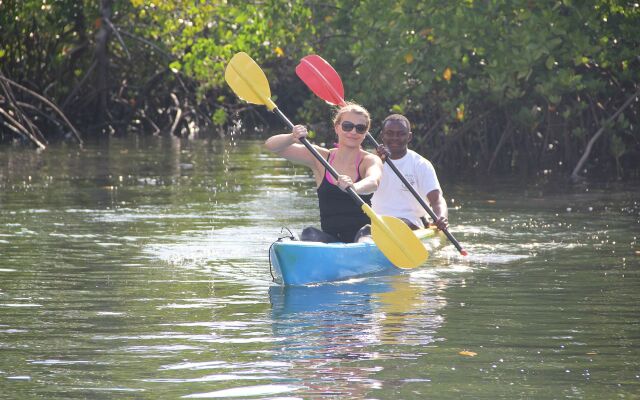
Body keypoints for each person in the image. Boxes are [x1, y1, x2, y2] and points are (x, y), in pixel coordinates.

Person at [264, 103, 383, 243]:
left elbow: (373, 181)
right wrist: (291, 137)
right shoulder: (319, 157)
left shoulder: (369, 160)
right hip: (331, 239)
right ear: (337, 128)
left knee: (365, 239)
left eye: (360, 128)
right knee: (309, 233)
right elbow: (272, 146)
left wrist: (354, 187)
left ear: (365, 134)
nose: (353, 132)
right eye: (347, 126)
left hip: (363, 236)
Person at [371, 114, 449, 231]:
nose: (395, 138)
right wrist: (378, 161)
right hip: (376, 224)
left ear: (409, 137)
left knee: (401, 223)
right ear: (382, 136)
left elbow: (437, 200)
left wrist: (441, 217)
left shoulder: (421, 164)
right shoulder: (370, 162)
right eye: (390, 133)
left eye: (401, 134)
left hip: (411, 224)